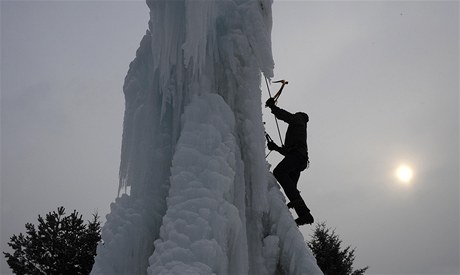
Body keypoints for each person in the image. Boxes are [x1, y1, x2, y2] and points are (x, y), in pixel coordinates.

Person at [265, 92, 314, 226]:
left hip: (297, 157)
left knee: (279, 172)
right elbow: (289, 151)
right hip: (299, 160)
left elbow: (286, 116)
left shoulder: (299, 120)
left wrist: (272, 107)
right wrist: (275, 147)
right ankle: (304, 215)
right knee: (291, 187)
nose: (296, 115)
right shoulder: (298, 131)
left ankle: (304, 213)